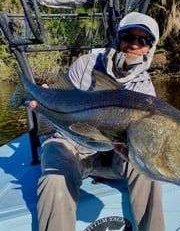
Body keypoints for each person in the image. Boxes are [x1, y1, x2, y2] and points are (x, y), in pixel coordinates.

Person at [34, 12, 165, 231]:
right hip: (70, 144)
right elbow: (60, 104)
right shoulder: (85, 65)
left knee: (149, 171)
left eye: (143, 40)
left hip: (113, 154)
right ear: (117, 38)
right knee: (54, 182)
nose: (134, 45)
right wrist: (44, 107)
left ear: (150, 48)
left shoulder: (145, 88)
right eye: (128, 37)